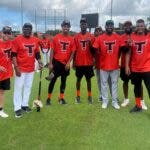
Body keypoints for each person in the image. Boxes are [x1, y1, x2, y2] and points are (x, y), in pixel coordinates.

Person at [12, 23, 43, 118]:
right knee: (18, 88)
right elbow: (13, 55)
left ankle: (24, 105)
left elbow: (37, 52)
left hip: (30, 68)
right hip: (20, 68)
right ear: (22, 29)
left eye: (29, 28)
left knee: (28, 87)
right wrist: (16, 67)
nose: (27, 30)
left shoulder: (34, 40)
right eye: (25, 28)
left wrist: (39, 61)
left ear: (31, 30)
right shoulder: (17, 40)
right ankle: (17, 108)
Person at [46, 20, 75, 105]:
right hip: (57, 62)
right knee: (53, 80)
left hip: (65, 64)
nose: (66, 28)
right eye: (64, 26)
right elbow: (52, 50)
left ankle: (61, 98)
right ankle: (48, 99)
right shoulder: (56, 37)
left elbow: (73, 52)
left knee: (64, 80)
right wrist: (50, 63)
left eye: (67, 26)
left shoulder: (71, 39)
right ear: (62, 27)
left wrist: (68, 63)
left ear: (69, 27)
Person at [93, 20, 120, 109]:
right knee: (103, 84)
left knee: (114, 84)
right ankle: (105, 101)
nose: (109, 27)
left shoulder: (117, 37)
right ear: (105, 27)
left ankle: (114, 101)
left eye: (111, 25)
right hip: (103, 65)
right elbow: (94, 49)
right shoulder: (100, 38)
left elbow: (121, 49)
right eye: (108, 25)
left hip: (114, 65)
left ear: (113, 26)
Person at [120, 21, 147, 109]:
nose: (127, 27)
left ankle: (142, 102)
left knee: (139, 84)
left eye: (129, 25)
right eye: (126, 25)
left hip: (138, 65)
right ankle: (126, 99)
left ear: (132, 26)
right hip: (126, 64)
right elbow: (124, 50)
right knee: (127, 82)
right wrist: (128, 44)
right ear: (123, 27)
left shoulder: (138, 35)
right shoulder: (123, 37)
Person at [125, 19, 150, 112]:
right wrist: (127, 66)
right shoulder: (132, 36)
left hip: (147, 67)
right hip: (135, 68)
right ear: (136, 27)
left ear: (144, 26)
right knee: (137, 87)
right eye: (138, 26)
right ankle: (138, 106)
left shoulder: (148, 35)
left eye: (141, 26)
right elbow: (128, 53)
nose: (140, 27)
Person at [74, 18, 95, 104]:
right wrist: (74, 63)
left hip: (88, 63)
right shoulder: (76, 37)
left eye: (84, 23)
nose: (83, 25)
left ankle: (89, 96)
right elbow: (74, 50)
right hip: (79, 62)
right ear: (80, 25)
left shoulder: (91, 36)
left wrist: (90, 44)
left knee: (88, 80)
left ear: (87, 25)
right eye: (82, 24)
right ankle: (78, 96)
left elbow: (94, 50)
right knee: (78, 80)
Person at [0, 26, 13, 118]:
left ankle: (1, 110)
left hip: (6, 73)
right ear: (1, 33)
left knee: (2, 92)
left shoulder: (11, 43)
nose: (7, 35)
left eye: (9, 33)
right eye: (5, 33)